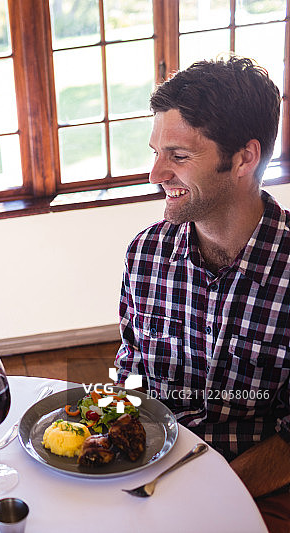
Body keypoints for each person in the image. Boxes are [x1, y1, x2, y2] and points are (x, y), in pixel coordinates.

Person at [115, 56, 290, 531]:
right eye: (155, 151)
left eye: (179, 156)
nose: (155, 173)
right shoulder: (146, 253)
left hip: (259, 484)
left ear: (244, 158)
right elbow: (132, 371)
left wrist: (204, 492)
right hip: (155, 472)